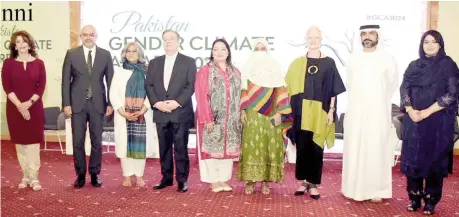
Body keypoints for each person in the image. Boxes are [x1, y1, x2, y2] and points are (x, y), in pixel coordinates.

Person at [400, 30, 459, 215]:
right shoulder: (413, 66)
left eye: (434, 42)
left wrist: (427, 112)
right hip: (414, 120)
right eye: (426, 42)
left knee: (435, 159)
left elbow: (452, 94)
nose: (430, 45)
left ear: (440, 44)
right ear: (422, 44)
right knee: (413, 158)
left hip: (438, 121)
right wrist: (410, 110)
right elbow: (404, 89)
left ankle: (431, 200)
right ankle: (415, 197)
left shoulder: (448, 65)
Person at [285, 26, 346, 199]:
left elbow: (333, 89)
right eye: (310, 37)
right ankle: (304, 181)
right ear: (306, 39)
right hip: (301, 110)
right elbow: (288, 88)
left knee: (316, 147)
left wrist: (331, 111)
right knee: (303, 146)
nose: (313, 40)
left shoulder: (329, 62)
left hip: (321, 110)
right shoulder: (297, 63)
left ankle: (313, 183)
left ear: (321, 39)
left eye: (316, 37)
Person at [341, 24, 399, 202]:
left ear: (378, 36)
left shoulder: (387, 58)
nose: (367, 37)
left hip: (378, 112)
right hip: (356, 112)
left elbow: (392, 84)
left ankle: (377, 191)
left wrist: (377, 101)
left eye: (371, 33)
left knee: (376, 149)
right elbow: (350, 84)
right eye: (364, 34)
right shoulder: (352, 59)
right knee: (356, 148)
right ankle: (353, 188)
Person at [237, 38, 292, 195]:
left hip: (272, 114)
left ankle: (267, 181)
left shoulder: (275, 68)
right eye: (257, 49)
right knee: (251, 145)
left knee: (270, 146)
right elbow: (244, 91)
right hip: (252, 114)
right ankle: (250, 180)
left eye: (263, 49)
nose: (260, 52)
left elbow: (282, 91)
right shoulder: (247, 68)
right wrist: (242, 111)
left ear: (267, 51)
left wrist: (281, 113)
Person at [62, 25, 114, 188]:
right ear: (80, 36)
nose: (88, 37)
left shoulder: (105, 55)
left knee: (97, 141)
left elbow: (110, 80)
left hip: (98, 103)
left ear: (96, 36)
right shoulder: (72, 54)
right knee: (77, 141)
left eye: (92, 35)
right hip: (77, 104)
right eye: (85, 34)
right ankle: (80, 175)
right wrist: (66, 103)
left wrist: (111, 102)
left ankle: (94, 173)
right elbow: (65, 81)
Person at [145, 30, 197, 193]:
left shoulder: (188, 62)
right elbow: (149, 86)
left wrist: (177, 102)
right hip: (160, 111)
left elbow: (190, 86)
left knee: (180, 147)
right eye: (165, 39)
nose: (168, 42)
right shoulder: (154, 62)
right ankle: (166, 178)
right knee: (164, 148)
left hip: (180, 112)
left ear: (179, 41)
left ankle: (182, 180)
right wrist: (156, 103)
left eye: (172, 39)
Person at [109, 42, 160, 187]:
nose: (131, 53)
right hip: (123, 115)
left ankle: (139, 176)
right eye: (128, 51)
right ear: (124, 54)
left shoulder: (147, 70)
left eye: (134, 51)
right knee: (124, 145)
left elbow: (152, 92)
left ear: (140, 54)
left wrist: (143, 109)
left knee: (140, 145)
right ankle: (126, 176)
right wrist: (122, 112)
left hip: (143, 115)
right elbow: (113, 93)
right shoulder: (119, 71)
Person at [195, 39, 242, 192]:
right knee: (211, 150)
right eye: (216, 49)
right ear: (212, 53)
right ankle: (213, 180)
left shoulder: (235, 71)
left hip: (231, 119)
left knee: (227, 150)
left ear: (228, 52)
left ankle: (223, 179)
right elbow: (201, 96)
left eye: (223, 49)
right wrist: (206, 118)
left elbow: (241, 94)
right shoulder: (205, 71)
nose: (220, 52)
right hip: (212, 118)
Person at [1, 30, 46, 191]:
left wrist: (29, 104)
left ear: (30, 43)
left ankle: (34, 178)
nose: (21, 45)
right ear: (14, 45)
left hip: (35, 108)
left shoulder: (39, 63)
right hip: (14, 109)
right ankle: (25, 176)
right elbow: (7, 87)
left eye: (24, 41)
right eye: (18, 42)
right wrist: (21, 106)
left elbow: (41, 87)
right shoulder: (8, 64)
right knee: (20, 145)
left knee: (33, 144)